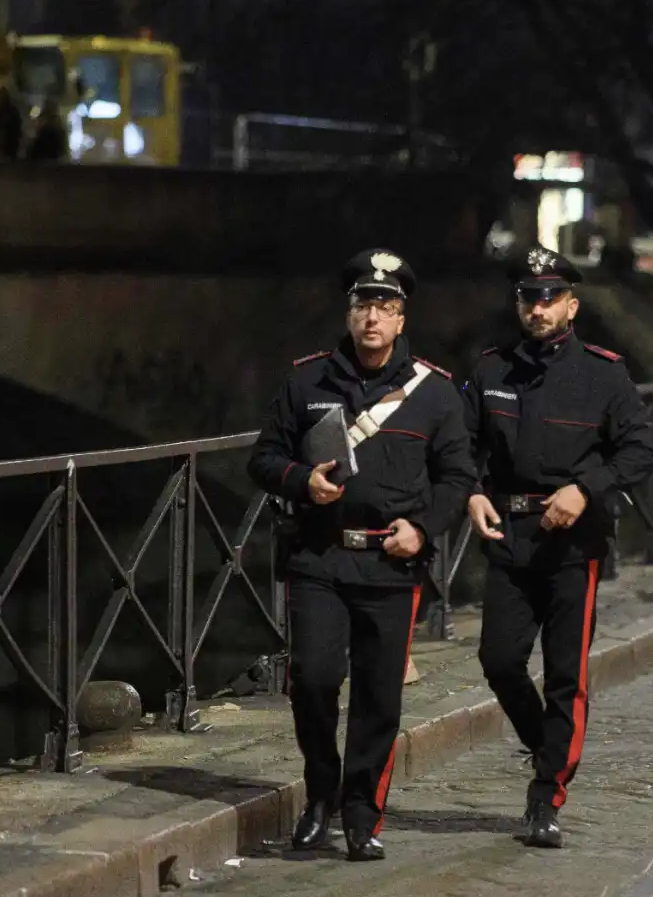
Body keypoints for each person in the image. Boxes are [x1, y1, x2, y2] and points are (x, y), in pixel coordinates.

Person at [248, 249, 475, 861]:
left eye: (385, 306)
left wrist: (423, 531)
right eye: (362, 305)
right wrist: (302, 481)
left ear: (402, 318)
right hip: (320, 558)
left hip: (392, 566)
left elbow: (457, 478)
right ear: (349, 313)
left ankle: (361, 811)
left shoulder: (435, 393)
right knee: (314, 679)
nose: (372, 317)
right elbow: (263, 459)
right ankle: (321, 790)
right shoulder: (307, 381)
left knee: (380, 696)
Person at [462, 245, 653, 849]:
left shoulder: (604, 373)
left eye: (550, 298)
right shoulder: (491, 370)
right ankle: (546, 744)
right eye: (530, 297)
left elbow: (642, 450)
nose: (539, 307)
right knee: (498, 660)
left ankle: (546, 796)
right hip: (510, 537)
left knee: (566, 677)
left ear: (572, 304)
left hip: (575, 542)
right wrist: (471, 494)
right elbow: (459, 448)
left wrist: (585, 487)